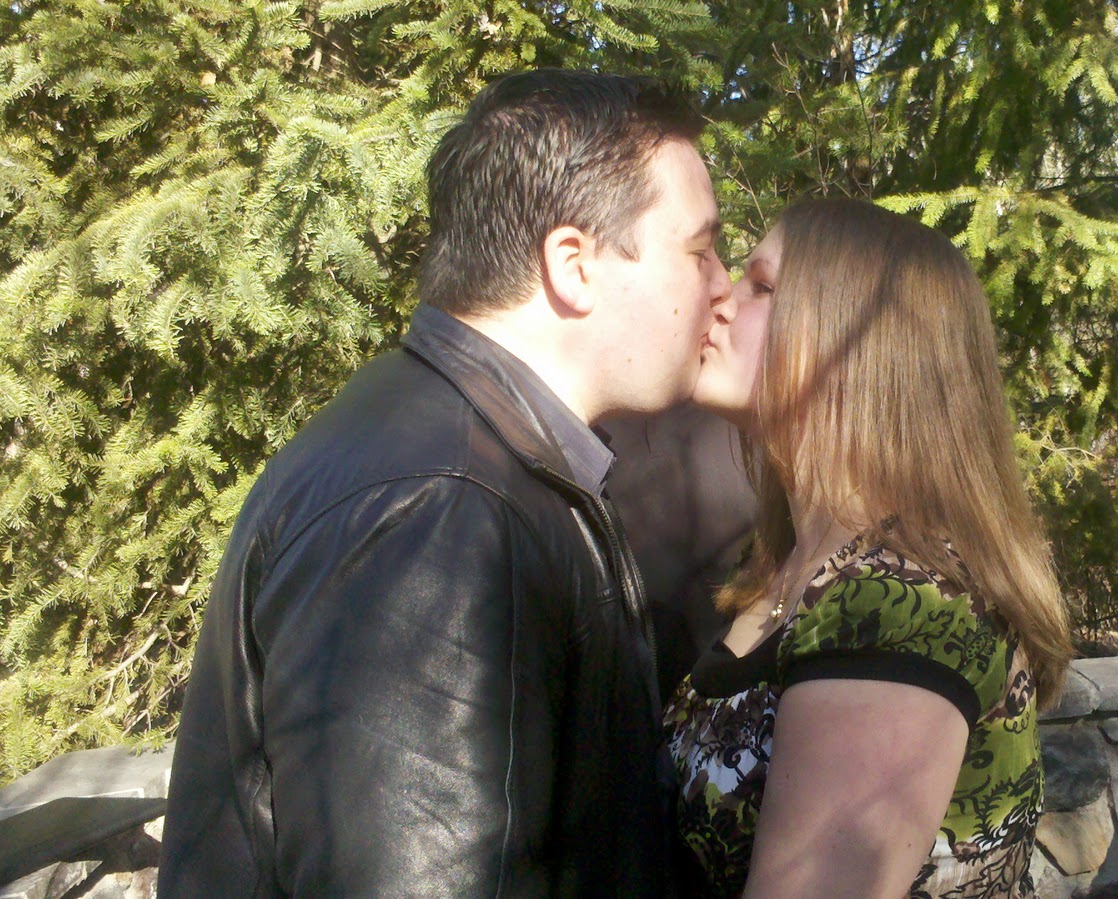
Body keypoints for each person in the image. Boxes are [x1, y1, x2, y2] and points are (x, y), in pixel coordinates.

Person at [160, 69, 732, 896]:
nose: (722, 284)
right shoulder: (439, 507)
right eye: (700, 250)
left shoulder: (475, 454)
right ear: (573, 265)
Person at [666, 198, 1075, 898]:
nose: (721, 299)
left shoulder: (901, 614)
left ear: (855, 348)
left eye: (761, 287)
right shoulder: (794, 564)